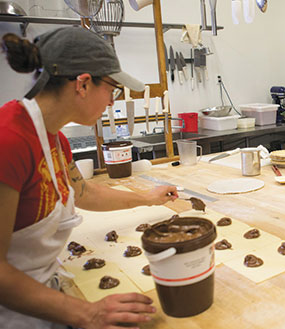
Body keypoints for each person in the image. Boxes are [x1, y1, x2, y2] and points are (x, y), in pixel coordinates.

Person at [0, 27, 179, 328]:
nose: (112, 102)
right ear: (83, 84)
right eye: (112, 90)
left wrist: (148, 198)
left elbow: (82, 193)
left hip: (46, 298)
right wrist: (87, 313)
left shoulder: (55, 140)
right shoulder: (9, 141)